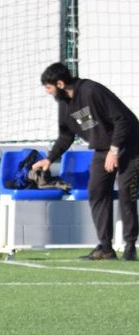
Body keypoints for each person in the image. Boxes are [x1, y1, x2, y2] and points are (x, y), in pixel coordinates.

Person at [32, 62, 139, 260]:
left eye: (48, 87)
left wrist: (114, 150)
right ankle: (105, 248)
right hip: (103, 148)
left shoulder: (92, 91)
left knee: (126, 192)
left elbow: (121, 120)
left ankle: (130, 246)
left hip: (130, 146)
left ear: (60, 83)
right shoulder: (65, 104)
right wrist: (49, 159)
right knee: (97, 191)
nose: (48, 92)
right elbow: (66, 136)